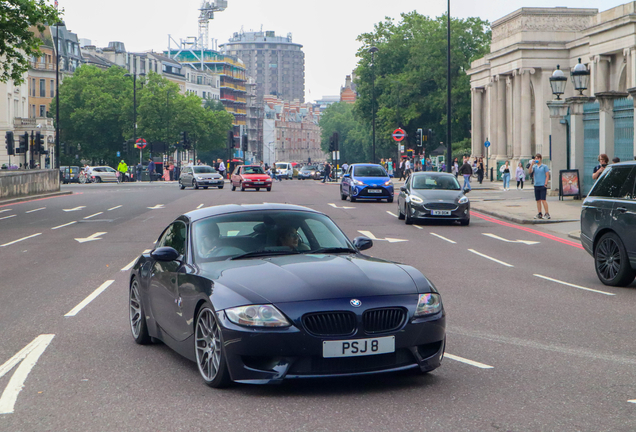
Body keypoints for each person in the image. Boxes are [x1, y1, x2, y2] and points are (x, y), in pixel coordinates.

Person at [530, 153, 550, 219]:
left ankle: (547, 213)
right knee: (538, 200)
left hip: (542, 185)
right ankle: (539, 213)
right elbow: (530, 172)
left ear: (540, 159)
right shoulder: (534, 167)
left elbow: (547, 175)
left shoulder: (544, 166)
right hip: (536, 184)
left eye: (538, 158)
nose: (537, 160)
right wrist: (531, 165)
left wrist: (546, 183)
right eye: (536, 158)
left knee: (543, 200)